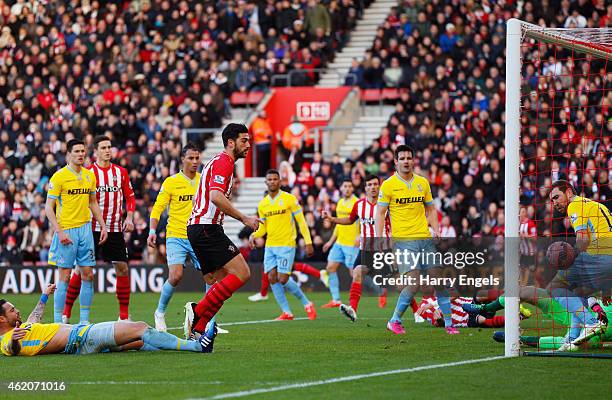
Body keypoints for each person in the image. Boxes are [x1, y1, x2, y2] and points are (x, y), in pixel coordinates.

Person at [183, 123, 261, 338]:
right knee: (243, 273)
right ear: (230, 142)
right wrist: (244, 218)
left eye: (249, 140)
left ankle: (198, 330)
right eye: (244, 140)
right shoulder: (224, 163)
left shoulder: (218, 162)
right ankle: (197, 312)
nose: (248, 144)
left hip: (199, 227)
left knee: (217, 281)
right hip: (206, 227)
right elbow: (215, 196)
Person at [375, 145, 459, 335]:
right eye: (402, 158)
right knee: (414, 284)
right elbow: (380, 213)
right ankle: (394, 320)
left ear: (413, 160)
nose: (406, 161)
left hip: (425, 238)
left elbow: (430, 208)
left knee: (439, 280)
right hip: (404, 241)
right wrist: (379, 238)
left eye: (409, 158)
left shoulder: (423, 183)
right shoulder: (388, 185)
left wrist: (436, 230)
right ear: (395, 161)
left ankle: (448, 323)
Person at [0, 285, 217, 356]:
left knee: (139, 342)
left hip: (80, 341)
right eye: (11, 310)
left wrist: (44, 296)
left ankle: (182, 344)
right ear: (2, 319)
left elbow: (33, 320)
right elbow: (12, 348)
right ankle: (198, 346)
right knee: (141, 328)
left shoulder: (21, 328)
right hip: (81, 337)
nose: (16, 310)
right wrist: (16, 341)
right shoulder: (7, 340)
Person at [62, 135, 136, 323]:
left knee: (122, 268)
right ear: (95, 151)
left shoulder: (121, 173)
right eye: (103, 147)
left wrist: (130, 216)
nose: (107, 150)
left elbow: (130, 197)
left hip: (114, 229)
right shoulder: (88, 173)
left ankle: (124, 316)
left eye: (109, 147)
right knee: (81, 270)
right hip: (91, 229)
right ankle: (66, 313)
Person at [45, 139, 108, 325]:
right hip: (67, 231)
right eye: (77, 151)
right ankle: (58, 323)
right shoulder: (59, 177)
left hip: (85, 229)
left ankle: (84, 322)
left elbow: (93, 203)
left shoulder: (89, 176)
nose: (81, 154)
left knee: (88, 274)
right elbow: (49, 207)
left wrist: (103, 225)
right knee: (64, 276)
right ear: (69, 154)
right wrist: (59, 232)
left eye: (83, 151)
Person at [148, 143, 207, 332]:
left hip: (198, 235)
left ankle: (206, 320)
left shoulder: (203, 180)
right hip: (176, 235)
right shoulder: (171, 182)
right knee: (176, 275)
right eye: (191, 158)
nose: (195, 161)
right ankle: (159, 313)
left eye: (197, 158)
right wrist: (152, 231)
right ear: (182, 159)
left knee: (211, 277)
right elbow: (157, 208)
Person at [547, 179, 611, 350]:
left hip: (600, 257)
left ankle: (591, 323)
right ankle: (572, 338)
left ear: (568, 192)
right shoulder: (595, 205)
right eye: (551, 200)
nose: (554, 203)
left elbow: (583, 240)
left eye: (556, 197)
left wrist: (569, 256)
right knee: (577, 290)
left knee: (555, 286)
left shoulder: (574, 205)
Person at [249, 169, 317, 320]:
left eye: (275, 179)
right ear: (266, 182)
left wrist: (308, 242)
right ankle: (287, 312)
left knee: (283, 278)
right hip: (270, 245)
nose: (272, 181)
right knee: (272, 277)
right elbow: (263, 228)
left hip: (287, 244)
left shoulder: (290, 199)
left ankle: (307, 303)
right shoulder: (263, 204)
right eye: (270, 179)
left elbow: (301, 221)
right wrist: (254, 235)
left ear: (279, 181)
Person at [322, 174, 389, 322]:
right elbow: (350, 220)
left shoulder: (386, 204)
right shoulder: (357, 205)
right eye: (369, 185)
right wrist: (332, 219)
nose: (373, 187)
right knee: (355, 272)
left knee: (399, 284)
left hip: (380, 248)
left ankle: (418, 311)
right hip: (359, 248)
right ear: (365, 187)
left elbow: (394, 224)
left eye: (375, 184)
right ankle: (350, 307)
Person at [321, 179, 359, 308]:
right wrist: (331, 241)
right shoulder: (340, 203)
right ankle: (336, 300)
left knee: (354, 273)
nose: (347, 188)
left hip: (351, 244)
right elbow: (338, 224)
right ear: (341, 188)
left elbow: (360, 221)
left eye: (349, 186)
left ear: (352, 189)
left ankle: (380, 291)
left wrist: (359, 236)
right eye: (345, 186)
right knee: (330, 267)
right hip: (339, 243)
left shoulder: (357, 202)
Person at [250, 110, 273, 177]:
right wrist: (266, 135)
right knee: (263, 160)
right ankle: (262, 175)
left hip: (267, 143)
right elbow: (257, 131)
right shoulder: (257, 122)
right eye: (263, 113)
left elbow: (269, 131)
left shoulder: (265, 121)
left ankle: (267, 174)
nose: (265, 115)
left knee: (267, 161)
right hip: (261, 143)